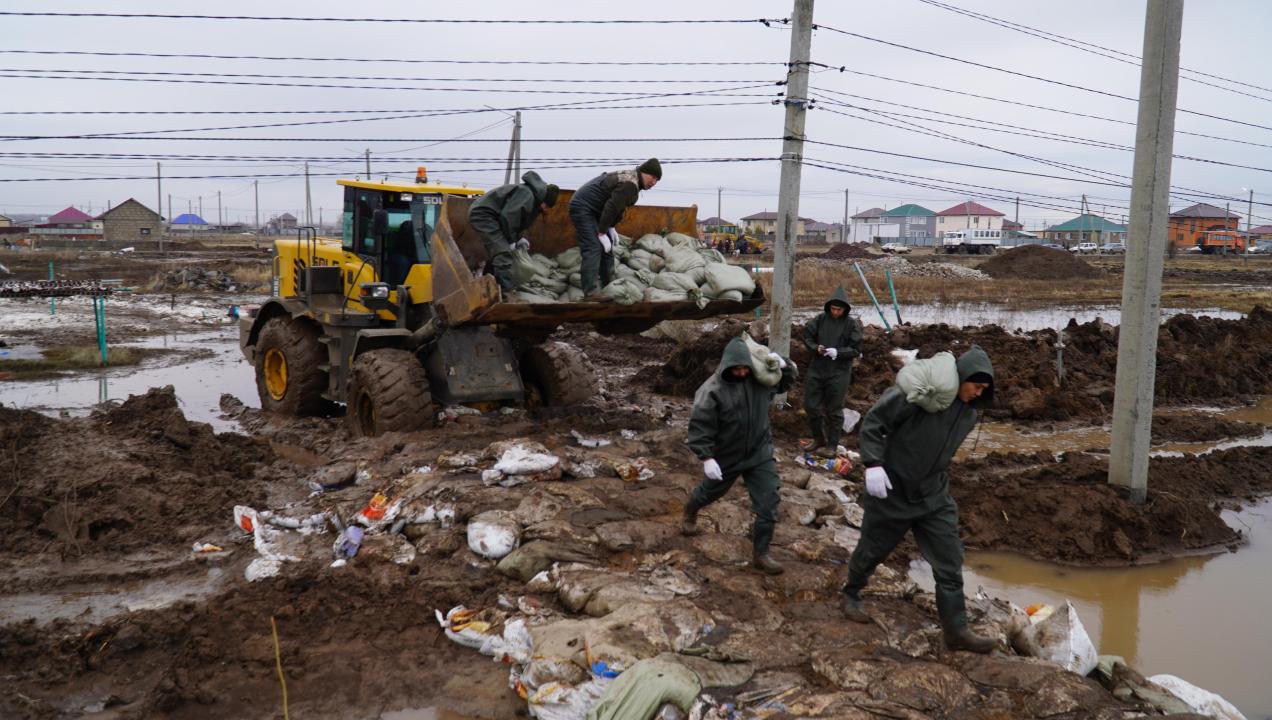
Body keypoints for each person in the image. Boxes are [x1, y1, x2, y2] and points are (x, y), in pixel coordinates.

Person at [838, 345, 998, 654]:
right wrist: (872, 464)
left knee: (949, 561)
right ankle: (851, 593)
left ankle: (956, 630)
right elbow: (874, 423)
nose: (978, 393)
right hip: (892, 490)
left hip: (933, 495)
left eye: (984, 389)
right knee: (873, 550)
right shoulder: (921, 395)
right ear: (962, 377)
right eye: (975, 385)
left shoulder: (967, 413)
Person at [682, 337, 797, 575]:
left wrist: (784, 364)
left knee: (768, 502)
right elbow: (699, 426)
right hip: (727, 455)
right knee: (710, 492)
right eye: (737, 369)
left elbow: (786, 382)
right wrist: (706, 457)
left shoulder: (760, 381)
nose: (743, 372)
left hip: (759, 452)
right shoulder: (712, 390)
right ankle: (691, 510)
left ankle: (761, 553)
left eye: (746, 367)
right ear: (727, 366)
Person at [568, 158, 661, 301]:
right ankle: (591, 293)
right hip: (583, 207)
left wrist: (611, 227)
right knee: (593, 246)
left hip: (596, 210)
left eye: (657, 180)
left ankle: (609, 283)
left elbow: (618, 207)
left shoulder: (634, 183)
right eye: (653, 177)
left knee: (607, 247)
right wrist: (602, 231)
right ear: (643, 172)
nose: (654, 183)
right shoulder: (630, 184)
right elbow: (611, 207)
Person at [467, 171, 559, 297]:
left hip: (494, 218)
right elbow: (508, 217)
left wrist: (518, 238)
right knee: (503, 253)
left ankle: (488, 284)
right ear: (544, 199)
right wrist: (511, 241)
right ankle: (506, 293)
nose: (546, 209)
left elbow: (515, 222)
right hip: (484, 215)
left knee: (499, 250)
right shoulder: (527, 195)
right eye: (547, 206)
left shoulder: (533, 199)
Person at [802, 286, 864, 457]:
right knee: (811, 405)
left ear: (845, 309)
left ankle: (832, 445)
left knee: (834, 409)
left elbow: (856, 349)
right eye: (833, 308)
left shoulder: (852, 325)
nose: (835, 312)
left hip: (839, 372)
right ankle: (818, 438)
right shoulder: (820, 320)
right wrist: (816, 348)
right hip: (817, 368)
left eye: (839, 309)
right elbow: (807, 337)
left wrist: (839, 352)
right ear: (829, 307)